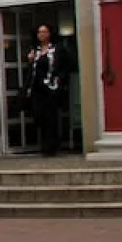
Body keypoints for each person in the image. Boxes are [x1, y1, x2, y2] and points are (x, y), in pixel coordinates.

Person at [26, 24, 73, 157]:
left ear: (50, 33)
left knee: (50, 117)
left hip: (51, 88)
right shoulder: (36, 50)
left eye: (44, 32)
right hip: (37, 88)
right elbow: (31, 70)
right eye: (39, 32)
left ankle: (51, 146)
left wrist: (59, 78)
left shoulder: (57, 49)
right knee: (38, 115)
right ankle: (45, 142)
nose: (41, 35)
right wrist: (29, 60)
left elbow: (66, 65)